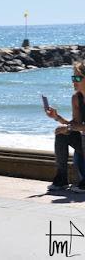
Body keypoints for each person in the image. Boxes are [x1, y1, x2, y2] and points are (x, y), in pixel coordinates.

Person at [45, 61, 85, 193]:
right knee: (61, 134)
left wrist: (68, 128)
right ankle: (61, 179)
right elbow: (76, 125)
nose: (74, 81)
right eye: (73, 78)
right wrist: (57, 118)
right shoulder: (76, 98)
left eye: (78, 78)